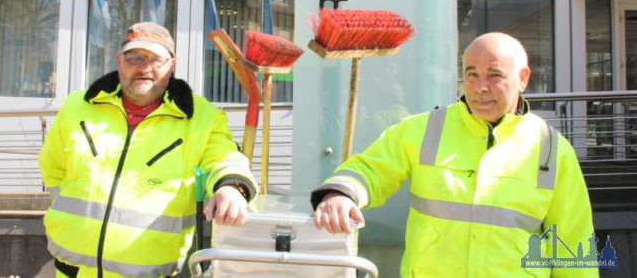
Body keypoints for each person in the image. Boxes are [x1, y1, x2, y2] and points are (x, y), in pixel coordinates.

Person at [311, 32, 597, 278]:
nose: (480, 87)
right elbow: (370, 169)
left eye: (494, 75)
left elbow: (572, 244)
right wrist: (340, 194)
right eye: (472, 75)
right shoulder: (424, 129)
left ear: (523, 79)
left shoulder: (552, 149)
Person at [39, 22, 257, 278]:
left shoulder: (202, 118)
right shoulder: (77, 106)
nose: (144, 67)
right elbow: (53, 169)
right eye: (135, 57)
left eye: (156, 59)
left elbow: (225, 158)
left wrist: (231, 187)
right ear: (119, 61)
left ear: (171, 65)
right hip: (71, 270)